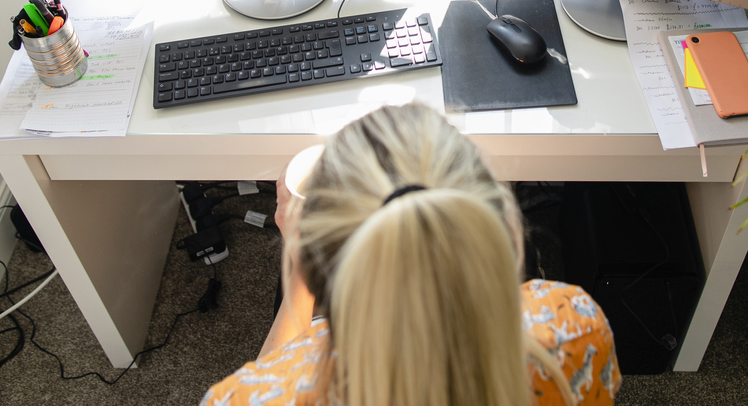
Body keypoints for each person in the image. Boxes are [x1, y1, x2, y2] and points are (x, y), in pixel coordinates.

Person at [200, 103, 620, 406]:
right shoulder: (574, 328)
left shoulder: (244, 398)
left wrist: (298, 274)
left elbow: (268, 385)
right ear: (503, 227)